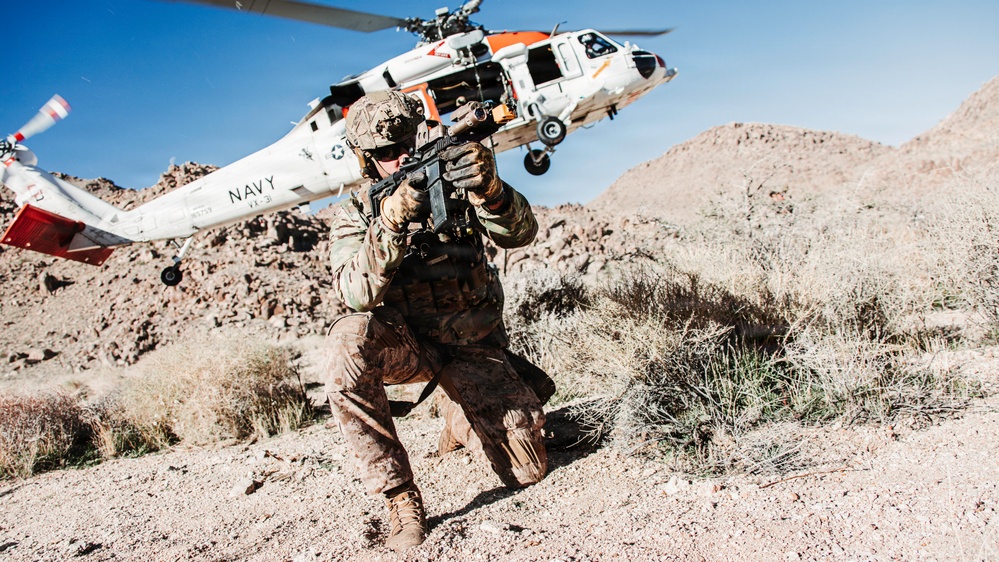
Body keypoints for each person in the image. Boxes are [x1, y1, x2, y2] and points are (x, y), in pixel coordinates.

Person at [323, 90, 547, 551]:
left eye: (406, 141)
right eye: (387, 153)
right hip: (410, 346)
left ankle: (459, 415)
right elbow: (354, 294)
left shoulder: (462, 176)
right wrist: (390, 224)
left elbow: (522, 235)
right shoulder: (357, 214)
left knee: (529, 472)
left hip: (474, 344)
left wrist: (492, 191)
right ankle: (400, 498)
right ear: (368, 161)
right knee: (346, 345)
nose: (401, 155)